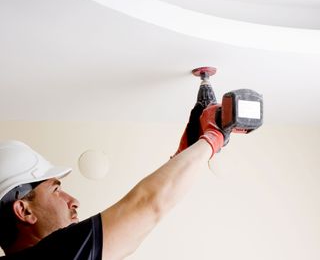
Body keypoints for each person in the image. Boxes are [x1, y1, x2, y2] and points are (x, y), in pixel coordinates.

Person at [0, 104, 227, 259]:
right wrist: (213, 136)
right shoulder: (55, 254)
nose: (74, 201)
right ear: (23, 210)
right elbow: (147, 205)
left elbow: (130, 235)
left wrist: (182, 158)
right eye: (56, 190)